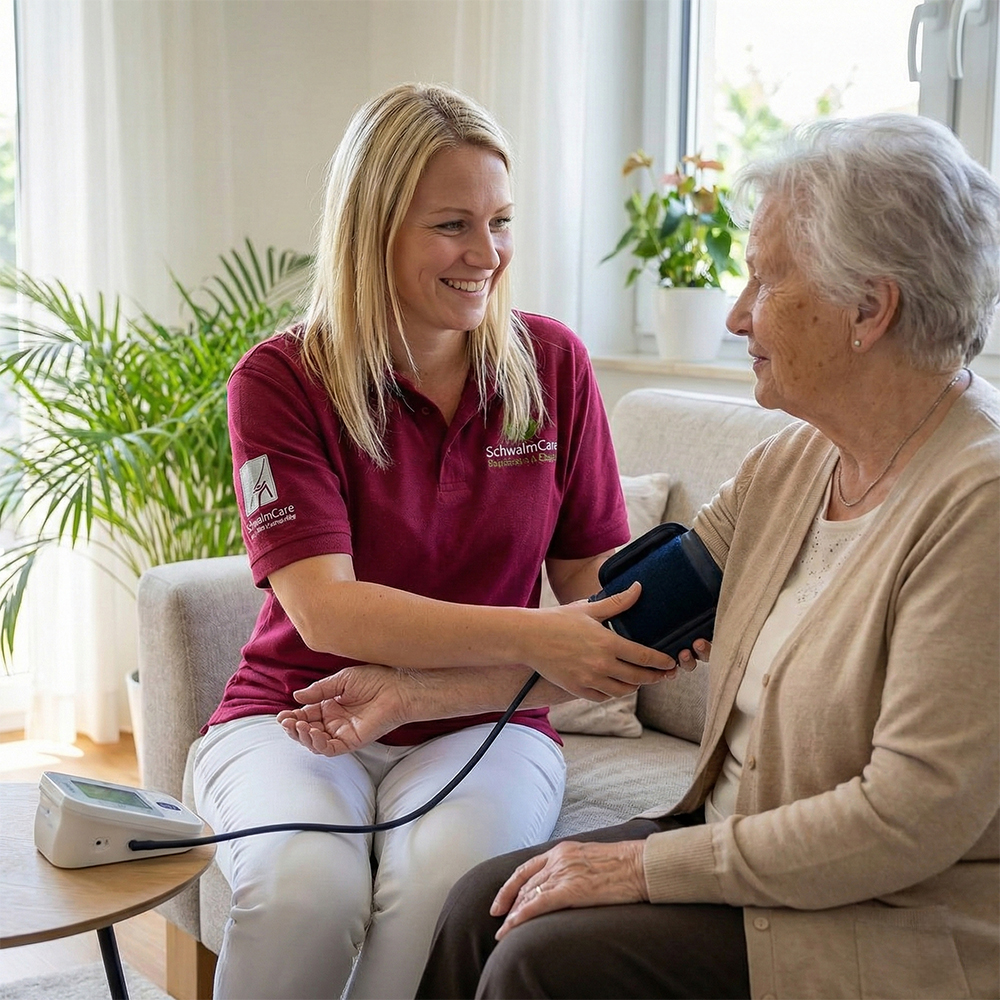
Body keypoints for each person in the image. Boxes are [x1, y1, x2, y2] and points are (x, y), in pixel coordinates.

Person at [289, 113, 1000, 999]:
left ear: (870, 308)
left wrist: (644, 869)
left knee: (540, 961)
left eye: (766, 281)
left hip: (878, 911)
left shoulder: (977, 504)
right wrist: (411, 693)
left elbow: (907, 822)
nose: (738, 315)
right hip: (747, 851)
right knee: (481, 901)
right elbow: (625, 633)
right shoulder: (796, 463)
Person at [192, 82, 679, 1000]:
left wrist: (660, 616)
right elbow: (326, 608)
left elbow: (595, 592)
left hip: (488, 723)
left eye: (500, 221)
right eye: (452, 224)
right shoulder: (283, 378)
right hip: (294, 711)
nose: (486, 254)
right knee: (304, 890)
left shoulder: (554, 366)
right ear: (371, 230)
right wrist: (547, 638)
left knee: (449, 892)